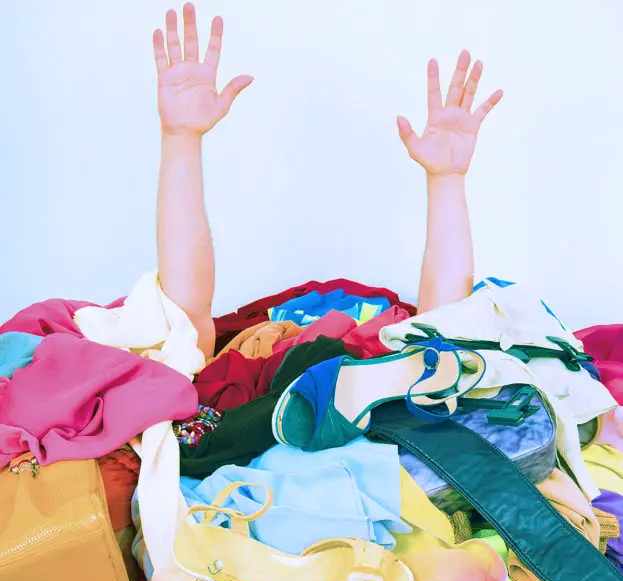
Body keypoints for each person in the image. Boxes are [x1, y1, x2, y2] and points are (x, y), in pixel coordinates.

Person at [152, 3, 503, 359]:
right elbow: (185, 336)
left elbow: (439, 343)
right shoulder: (238, 379)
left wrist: (447, 180)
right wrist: (180, 138)